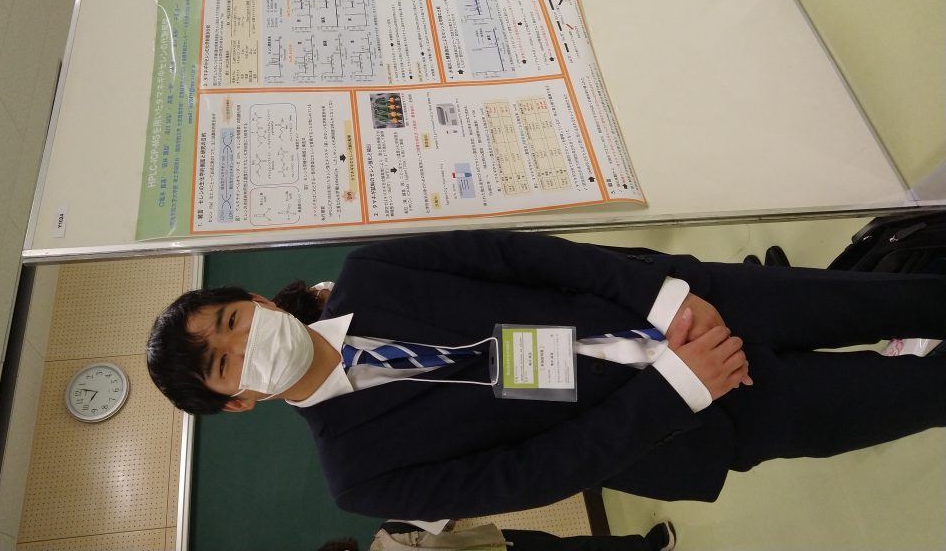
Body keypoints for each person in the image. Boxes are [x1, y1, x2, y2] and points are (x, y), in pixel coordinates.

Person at [146, 230, 946, 520]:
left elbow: (521, 257)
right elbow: (534, 474)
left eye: (233, 320)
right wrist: (678, 386)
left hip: (694, 307)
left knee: (905, 299)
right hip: (698, 417)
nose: (246, 341)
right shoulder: (361, 476)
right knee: (914, 395)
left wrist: (664, 300)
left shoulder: (372, 272)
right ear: (238, 402)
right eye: (224, 362)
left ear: (255, 300)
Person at [319, 519, 677, 551]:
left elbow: (446, 518)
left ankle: (644, 546)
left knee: (573, 548)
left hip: (500, 547)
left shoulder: (391, 533)